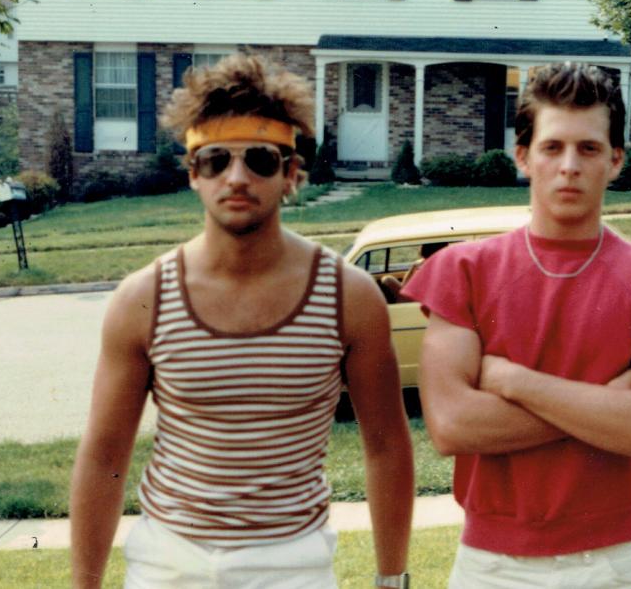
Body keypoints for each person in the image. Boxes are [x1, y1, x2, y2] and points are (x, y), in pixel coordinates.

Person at [70, 54, 414, 589]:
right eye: (214, 161)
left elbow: (387, 446)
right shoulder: (143, 300)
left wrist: (392, 580)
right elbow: (103, 457)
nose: (236, 177)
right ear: (193, 173)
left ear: (291, 174)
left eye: (259, 159)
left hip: (293, 562)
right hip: (169, 562)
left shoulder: (349, 297)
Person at [402, 62, 631, 588]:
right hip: (492, 566)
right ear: (523, 156)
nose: (569, 165)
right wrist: (611, 402)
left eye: (589, 148)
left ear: (616, 160)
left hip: (621, 563)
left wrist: (512, 381)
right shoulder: (462, 274)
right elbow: (453, 425)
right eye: (553, 147)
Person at [379, 241, 448, 302]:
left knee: (387, 279)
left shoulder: (420, 264)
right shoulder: (418, 264)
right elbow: (405, 284)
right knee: (387, 279)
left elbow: (405, 285)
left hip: (417, 301)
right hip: (413, 297)